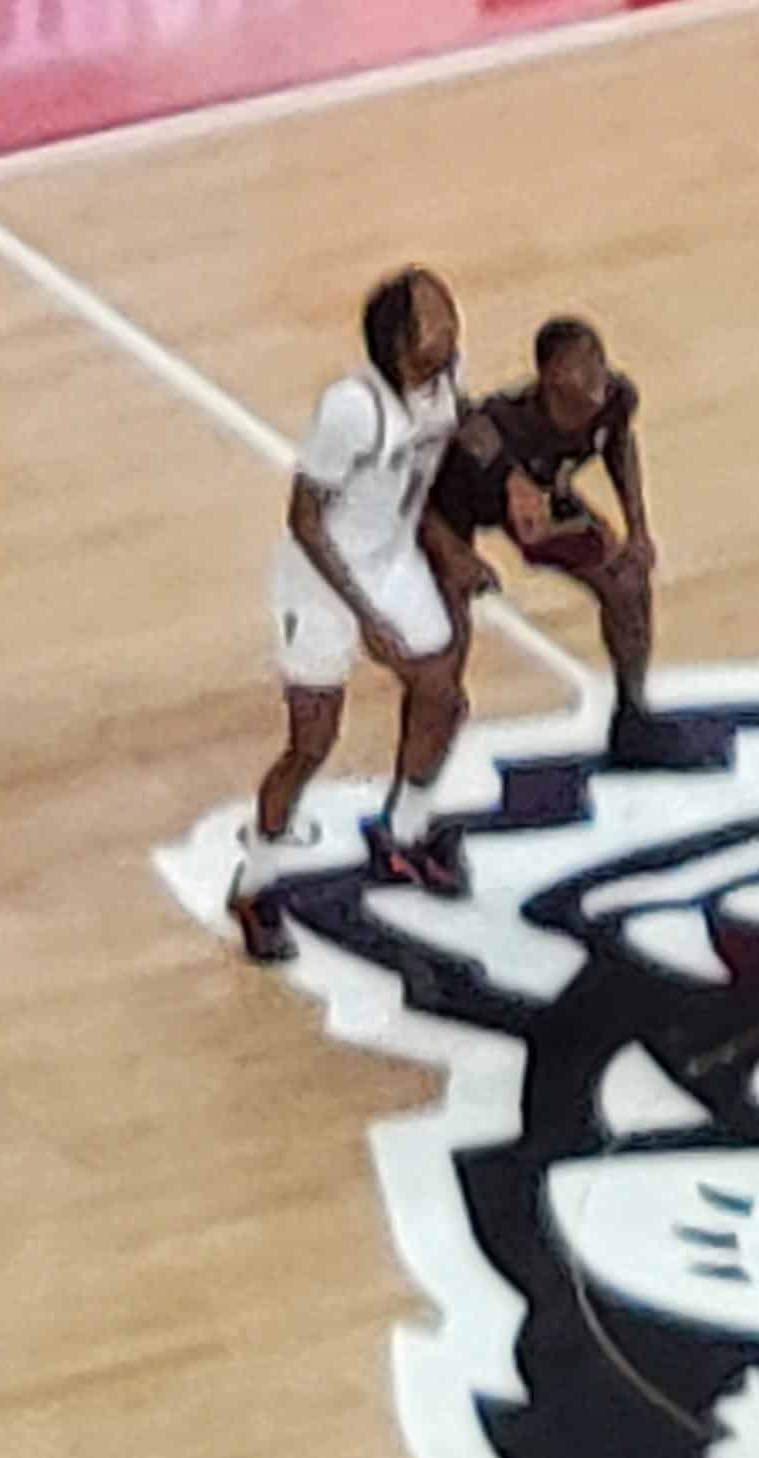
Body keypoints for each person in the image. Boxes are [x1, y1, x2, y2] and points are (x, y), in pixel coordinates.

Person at [231, 266, 474, 964]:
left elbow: (418, 489)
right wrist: (366, 616)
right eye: (436, 319)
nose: (452, 327)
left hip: (389, 562)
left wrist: (449, 551)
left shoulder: (445, 391)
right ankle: (254, 887)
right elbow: (305, 519)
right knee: (312, 743)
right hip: (320, 578)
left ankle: (403, 834)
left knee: (442, 693)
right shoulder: (351, 409)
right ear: (401, 344)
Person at [430, 314, 666, 761]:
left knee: (627, 582)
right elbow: (467, 424)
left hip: (542, 493)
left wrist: (638, 528)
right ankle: (434, 728)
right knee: (448, 626)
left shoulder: (615, 399)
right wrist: (508, 482)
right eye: (582, 366)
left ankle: (633, 714)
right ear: (551, 377)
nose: (596, 374)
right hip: (458, 500)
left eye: (598, 359)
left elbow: (619, 445)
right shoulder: (507, 420)